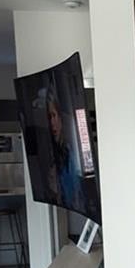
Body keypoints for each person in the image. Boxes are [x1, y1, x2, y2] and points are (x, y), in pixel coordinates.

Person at [46, 83, 85, 213]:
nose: (51, 123)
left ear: (61, 117)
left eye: (53, 115)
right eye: (48, 117)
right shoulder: (57, 152)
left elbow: (76, 196)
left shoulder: (72, 155)